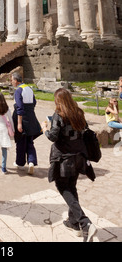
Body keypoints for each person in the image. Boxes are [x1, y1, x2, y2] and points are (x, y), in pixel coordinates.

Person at [41, 88, 97, 242]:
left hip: (64, 159)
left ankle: (85, 223)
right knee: (71, 188)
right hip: (79, 157)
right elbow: (84, 129)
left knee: (63, 187)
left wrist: (45, 128)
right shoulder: (79, 113)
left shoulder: (59, 115)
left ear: (58, 101)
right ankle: (73, 223)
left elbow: (53, 137)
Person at [11, 73, 42, 175]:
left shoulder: (18, 90)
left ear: (16, 80)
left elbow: (20, 108)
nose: (11, 82)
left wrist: (19, 123)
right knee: (30, 141)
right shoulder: (29, 88)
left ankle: (20, 163)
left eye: (12, 80)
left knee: (21, 141)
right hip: (31, 117)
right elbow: (34, 102)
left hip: (22, 119)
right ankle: (32, 161)